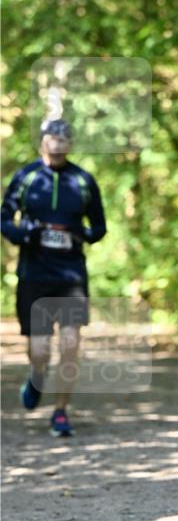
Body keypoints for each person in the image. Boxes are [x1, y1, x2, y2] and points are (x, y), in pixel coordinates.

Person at [1, 119, 107, 437]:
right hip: (34, 272)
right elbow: (5, 218)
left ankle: (61, 412)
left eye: (64, 138)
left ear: (70, 144)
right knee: (40, 350)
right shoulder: (27, 177)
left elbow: (99, 226)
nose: (58, 143)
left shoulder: (83, 180)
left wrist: (82, 234)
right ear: (43, 141)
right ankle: (36, 374)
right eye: (52, 137)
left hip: (71, 274)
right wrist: (25, 234)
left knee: (71, 344)